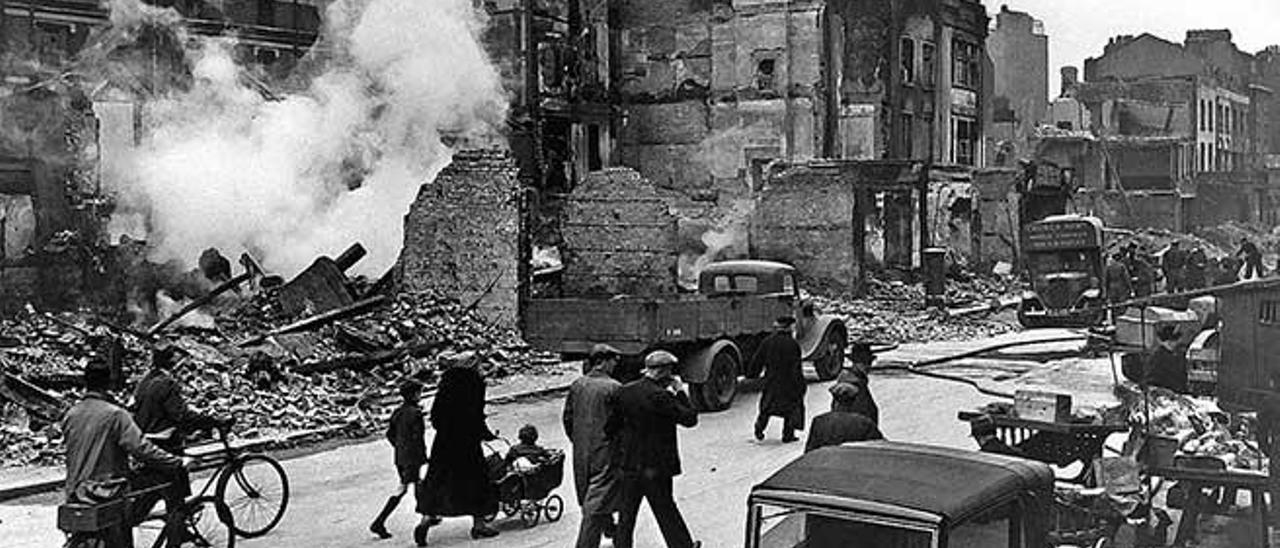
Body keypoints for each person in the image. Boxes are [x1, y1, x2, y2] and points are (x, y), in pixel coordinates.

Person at [64, 360, 186, 547]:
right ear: (110, 383)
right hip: (106, 491)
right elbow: (141, 449)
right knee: (165, 482)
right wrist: (175, 462)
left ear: (84, 381)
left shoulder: (71, 415)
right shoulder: (116, 415)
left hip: (75, 491)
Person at [131, 341, 228, 532]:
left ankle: (179, 530)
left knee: (158, 491)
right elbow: (181, 416)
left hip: (147, 440)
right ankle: (175, 532)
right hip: (166, 444)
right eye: (176, 360)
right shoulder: (167, 383)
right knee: (174, 496)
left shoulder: (145, 380)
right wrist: (213, 421)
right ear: (171, 362)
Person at [609, 350, 702, 548]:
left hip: (629, 465)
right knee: (666, 510)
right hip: (657, 467)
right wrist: (680, 392)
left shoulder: (624, 392)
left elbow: (611, 428)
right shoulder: (661, 396)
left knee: (627, 514)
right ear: (664, 372)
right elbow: (690, 419)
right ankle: (682, 546)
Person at [415, 353, 501, 545]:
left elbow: (436, 417)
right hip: (467, 443)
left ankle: (426, 519)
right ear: (471, 366)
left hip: (444, 443)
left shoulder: (446, 382)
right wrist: (486, 434)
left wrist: (446, 430)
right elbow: (476, 415)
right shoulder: (475, 384)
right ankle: (479, 525)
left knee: (437, 481)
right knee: (477, 481)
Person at [563, 343, 624, 548]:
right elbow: (621, 424)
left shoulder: (578, 384)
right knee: (596, 502)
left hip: (581, 450)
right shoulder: (614, 387)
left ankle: (610, 528)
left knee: (590, 492)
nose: (615, 365)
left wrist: (578, 439)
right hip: (605, 450)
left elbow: (568, 418)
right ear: (604, 361)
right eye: (613, 361)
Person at [369, 380, 433, 540]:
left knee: (405, 487)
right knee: (413, 486)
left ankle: (381, 522)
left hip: (400, 457)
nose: (420, 395)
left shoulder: (397, 412)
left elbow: (390, 434)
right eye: (419, 392)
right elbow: (418, 438)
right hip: (413, 457)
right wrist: (423, 456)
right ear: (414, 394)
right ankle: (424, 518)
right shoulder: (416, 413)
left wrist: (399, 447)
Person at [753, 317, 806, 443]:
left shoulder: (768, 341)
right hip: (788, 382)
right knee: (791, 408)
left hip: (771, 380)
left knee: (767, 406)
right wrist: (800, 385)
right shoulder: (793, 345)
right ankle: (788, 435)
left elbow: (758, 360)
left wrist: (753, 374)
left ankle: (759, 428)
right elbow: (796, 367)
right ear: (789, 328)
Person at [804, 383, 883, 453]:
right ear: (854, 401)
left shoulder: (819, 421)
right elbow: (879, 448)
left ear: (834, 401)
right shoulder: (864, 423)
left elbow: (810, 452)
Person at [834, 342, 880, 426]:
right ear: (855, 363)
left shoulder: (859, 381)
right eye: (863, 362)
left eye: (869, 362)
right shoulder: (850, 386)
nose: (868, 366)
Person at [1146, 325, 1189, 394]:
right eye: (1167, 340)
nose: (1170, 343)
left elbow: (1183, 376)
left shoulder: (1180, 354)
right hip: (1163, 392)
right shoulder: (1157, 355)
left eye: (1173, 340)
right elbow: (1151, 379)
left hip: (1179, 392)